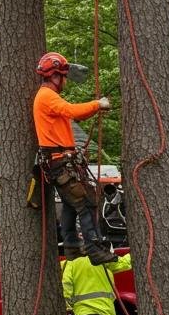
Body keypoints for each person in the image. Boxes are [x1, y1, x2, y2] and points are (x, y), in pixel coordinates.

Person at [32, 51, 117, 265]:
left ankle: (71, 246)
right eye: (64, 76)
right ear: (55, 76)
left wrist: (95, 108)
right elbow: (72, 111)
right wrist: (97, 104)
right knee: (86, 202)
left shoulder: (48, 97)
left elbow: (73, 112)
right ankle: (94, 248)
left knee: (72, 204)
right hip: (60, 162)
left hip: (60, 161)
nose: (66, 81)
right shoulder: (47, 96)